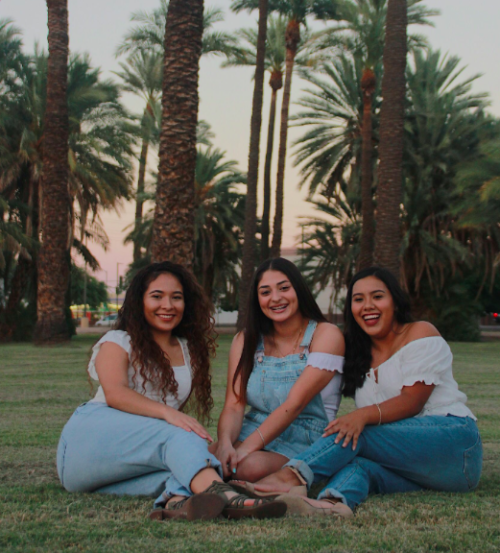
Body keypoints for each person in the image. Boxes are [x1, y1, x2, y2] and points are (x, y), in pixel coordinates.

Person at [56, 261, 285, 521]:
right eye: (157, 296)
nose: (168, 305)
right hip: (87, 444)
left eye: (176, 298)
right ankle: (230, 499)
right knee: (185, 437)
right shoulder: (118, 341)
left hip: (112, 475)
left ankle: (176, 502)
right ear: (139, 301)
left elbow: (171, 431)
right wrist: (169, 415)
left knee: (188, 464)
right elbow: (116, 394)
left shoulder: (189, 351)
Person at [250, 266, 483, 517]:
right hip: (413, 468)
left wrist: (361, 416)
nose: (367, 306)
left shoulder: (419, 333)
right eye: (358, 299)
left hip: (456, 448)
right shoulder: (357, 354)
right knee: (360, 464)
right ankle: (331, 504)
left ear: (394, 301)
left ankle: (290, 476)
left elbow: (412, 401)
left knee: (357, 431)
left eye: (378, 296)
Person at [212, 257, 345, 483]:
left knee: (246, 467)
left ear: (299, 290)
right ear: (257, 299)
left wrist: (245, 450)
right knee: (203, 457)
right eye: (265, 292)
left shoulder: (326, 334)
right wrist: (225, 444)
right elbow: (234, 405)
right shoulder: (245, 340)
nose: (275, 298)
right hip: (253, 427)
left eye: (284, 288)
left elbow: (295, 404)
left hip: (305, 435)